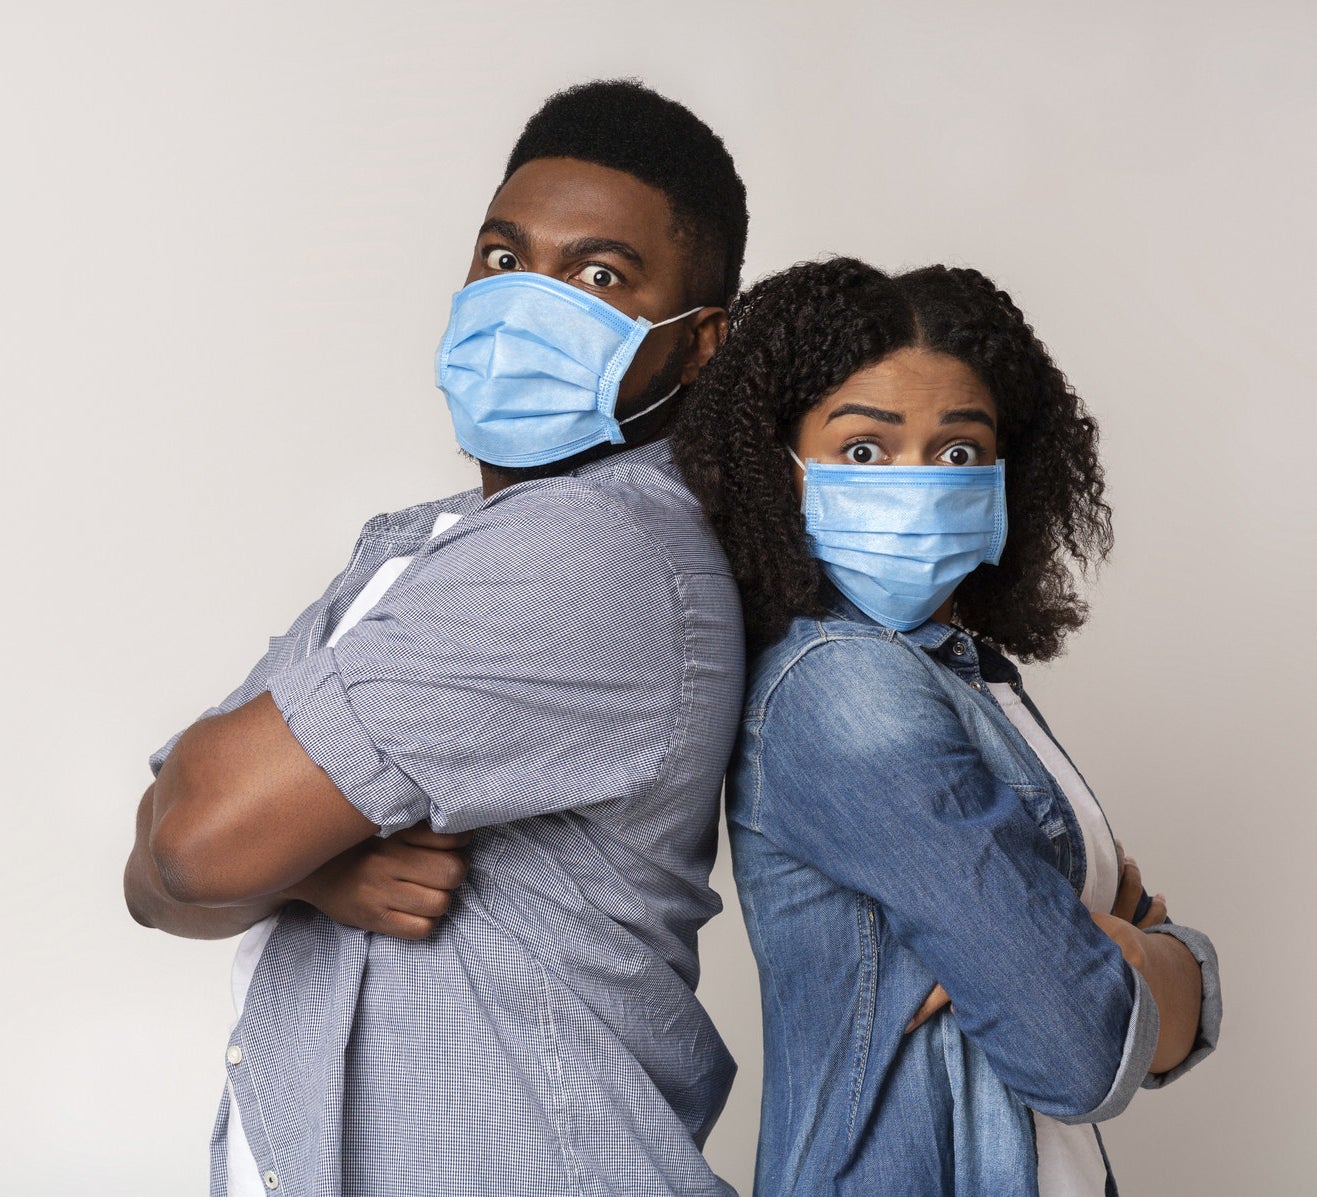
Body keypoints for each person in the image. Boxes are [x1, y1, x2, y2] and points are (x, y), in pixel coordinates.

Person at [124, 80, 749, 1197]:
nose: (527, 302)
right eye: (504, 259)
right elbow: (155, 869)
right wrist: (315, 875)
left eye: (598, 275)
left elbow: (198, 841)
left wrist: (263, 853)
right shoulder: (432, 550)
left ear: (698, 344)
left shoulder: (592, 554)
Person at [671, 258, 1222, 1195]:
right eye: (863, 450)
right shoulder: (842, 685)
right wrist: (1171, 965)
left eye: (958, 451)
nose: (917, 484)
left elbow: (1087, 1020)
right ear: (780, 470)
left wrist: (1115, 969)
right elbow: (1078, 1050)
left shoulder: (956, 669)